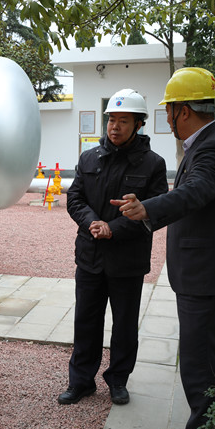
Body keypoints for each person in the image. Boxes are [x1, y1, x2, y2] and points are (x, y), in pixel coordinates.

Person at [112, 67, 215, 429]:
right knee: (199, 359)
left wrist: (147, 208)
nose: (168, 118)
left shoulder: (214, 148)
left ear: (183, 111)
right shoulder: (208, 143)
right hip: (206, 274)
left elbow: (195, 193)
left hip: (210, 276)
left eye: (169, 111)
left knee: (200, 363)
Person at [59, 89, 168, 408]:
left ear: (138, 124)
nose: (115, 127)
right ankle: (81, 381)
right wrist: (92, 222)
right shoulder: (89, 158)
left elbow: (155, 212)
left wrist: (113, 229)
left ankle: (118, 381)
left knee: (124, 326)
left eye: (123, 121)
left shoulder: (153, 165)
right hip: (90, 257)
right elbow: (75, 198)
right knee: (86, 322)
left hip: (127, 261)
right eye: (111, 120)